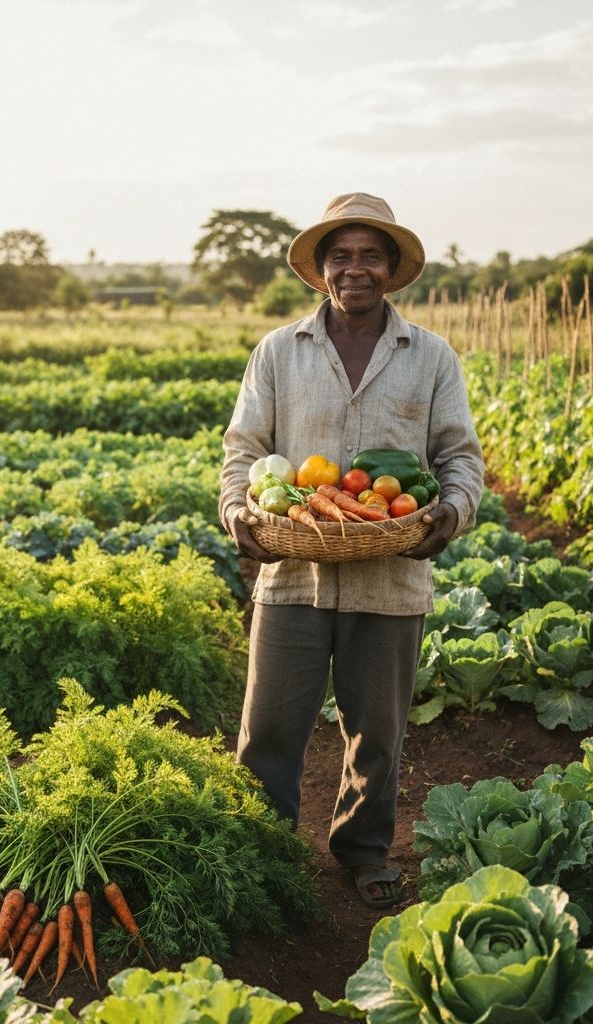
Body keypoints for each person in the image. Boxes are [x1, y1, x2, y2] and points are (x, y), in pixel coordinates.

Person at [218, 192, 484, 909]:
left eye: (371, 255)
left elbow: (459, 456)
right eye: (342, 256)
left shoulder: (430, 357)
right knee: (269, 726)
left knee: (378, 732)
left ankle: (365, 852)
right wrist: (237, 507)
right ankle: (262, 850)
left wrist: (449, 513)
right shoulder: (278, 351)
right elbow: (244, 451)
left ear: (392, 269)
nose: (355, 268)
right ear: (322, 270)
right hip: (293, 573)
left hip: (390, 578)